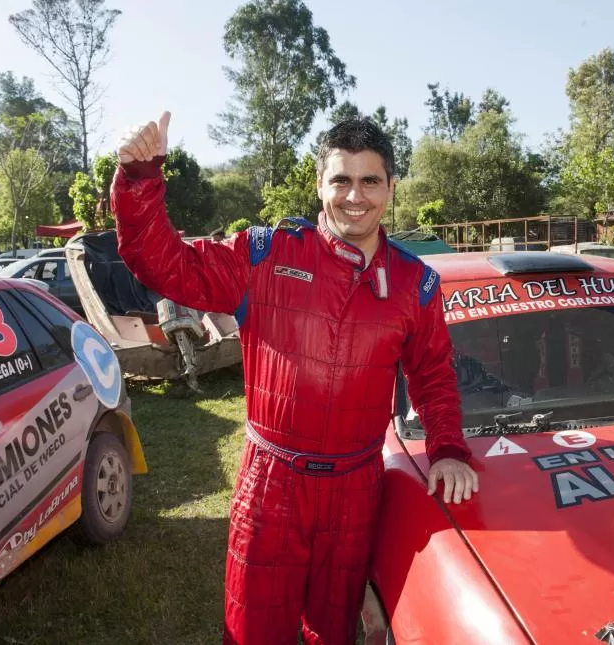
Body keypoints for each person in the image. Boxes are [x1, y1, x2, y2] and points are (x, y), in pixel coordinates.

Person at [111, 111, 478, 645]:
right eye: (342, 180)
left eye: (370, 180)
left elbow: (433, 376)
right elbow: (162, 264)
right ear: (320, 185)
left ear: (391, 187)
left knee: (332, 630)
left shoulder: (415, 284)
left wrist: (446, 447)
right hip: (271, 482)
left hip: (357, 486)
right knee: (255, 630)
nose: (356, 196)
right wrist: (141, 176)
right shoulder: (266, 253)